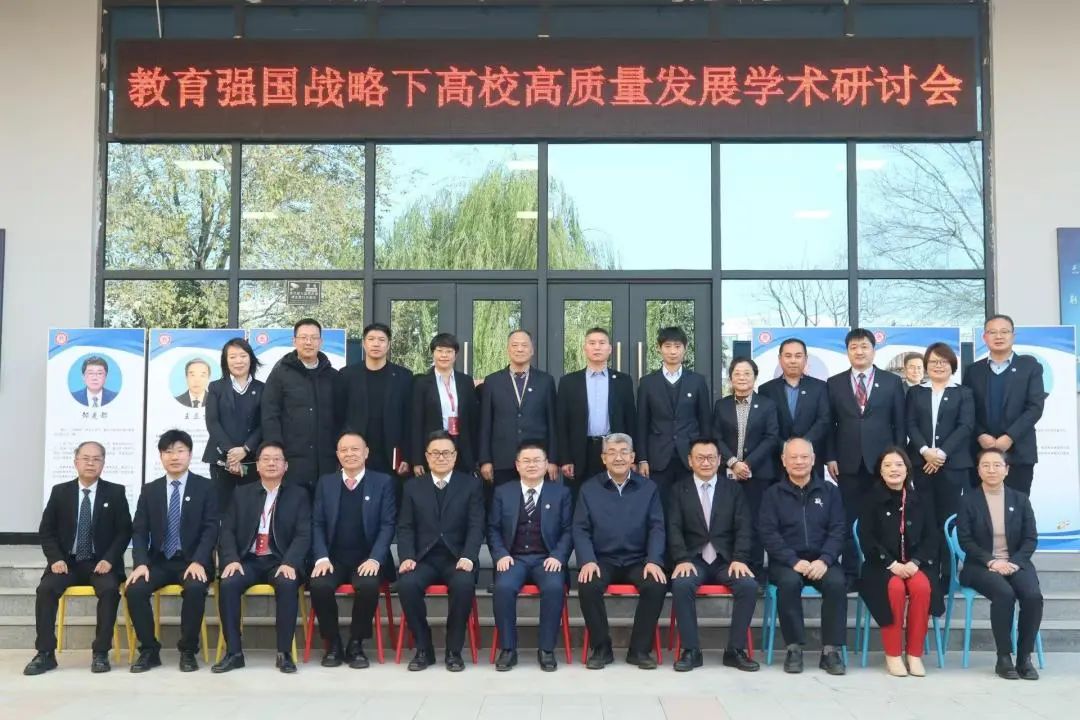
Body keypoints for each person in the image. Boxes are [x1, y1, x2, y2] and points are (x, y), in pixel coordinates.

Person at [24, 441, 132, 675]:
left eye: (96, 459)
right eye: (86, 458)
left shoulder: (115, 492)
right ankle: (45, 653)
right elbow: (46, 530)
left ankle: (100, 652)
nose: (91, 463)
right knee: (45, 590)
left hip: (100, 563)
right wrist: (55, 559)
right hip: (67, 563)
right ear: (76, 462)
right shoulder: (60, 492)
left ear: (103, 463)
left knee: (110, 591)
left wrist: (109, 559)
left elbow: (124, 531)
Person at [212, 441, 311, 674]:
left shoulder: (298, 495)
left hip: (280, 560)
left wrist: (290, 562)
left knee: (287, 583)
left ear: (286, 466)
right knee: (229, 583)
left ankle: (284, 653)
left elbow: (304, 534)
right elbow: (227, 530)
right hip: (248, 560)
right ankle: (234, 653)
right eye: (266, 459)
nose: (271, 463)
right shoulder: (241, 493)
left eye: (277, 459)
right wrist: (231, 559)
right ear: (257, 465)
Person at [127, 430, 218, 673]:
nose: (174, 457)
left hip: (192, 561)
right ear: (161, 456)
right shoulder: (151, 490)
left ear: (190, 454)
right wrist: (141, 563)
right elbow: (139, 530)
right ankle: (149, 650)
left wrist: (200, 560)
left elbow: (211, 529)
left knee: (195, 588)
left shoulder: (206, 487)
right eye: (168, 452)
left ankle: (188, 650)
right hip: (159, 561)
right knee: (135, 589)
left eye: (180, 451)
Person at [574, 433, 667, 670]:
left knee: (655, 584)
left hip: (638, 560)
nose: (618, 458)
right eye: (612, 452)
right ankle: (601, 648)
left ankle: (639, 650)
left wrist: (654, 560)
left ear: (633, 457)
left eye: (624, 452)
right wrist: (587, 560)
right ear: (603, 458)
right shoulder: (589, 489)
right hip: (602, 560)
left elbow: (657, 527)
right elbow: (580, 528)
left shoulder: (648, 488)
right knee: (588, 585)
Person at [668, 438, 759, 672]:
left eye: (711, 458)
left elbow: (744, 527)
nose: (706, 462)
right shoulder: (678, 490)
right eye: (700, 458)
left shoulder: (733, 490)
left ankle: (735, 650)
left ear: (720, 460)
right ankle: (691, 651)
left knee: (748, 586)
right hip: (693, 559)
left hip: (725, 560)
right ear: (690, 461)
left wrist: (739, 558)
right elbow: (673, 527)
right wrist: (681, 559)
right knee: (681, 584)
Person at [396, 431, 485, 672]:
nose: (441, 457)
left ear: (455, 456)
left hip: (457, 558)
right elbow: (405, 527)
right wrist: (406, 557)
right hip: (423, 558)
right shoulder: (413, 487)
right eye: (435, 453)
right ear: (426, 457)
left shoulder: (471, 485)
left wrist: (469, 556)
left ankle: (453, 650)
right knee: (407, 584)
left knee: (464, 585)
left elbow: (476, 525)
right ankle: (423, 648)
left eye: (446, 453)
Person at [759, 438, 847, 676]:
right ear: (783, 461)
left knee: (837, 583)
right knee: (788, 583)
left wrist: (825, 559)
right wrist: (793, 560)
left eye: (804, 457)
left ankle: (830, 651)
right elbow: (768, 533)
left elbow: (838, 529)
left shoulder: (830, 491)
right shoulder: (772, 494)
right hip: (787, 562)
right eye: (793, 457)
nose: (799, 461)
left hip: (822, 560)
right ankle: (794, 648)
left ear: (813, 459)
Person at [309, 432, 397, 669]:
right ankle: (333, 643)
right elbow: (317, 523)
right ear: (338, 455)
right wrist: (321, 557)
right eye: (344, 450)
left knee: (368, 585)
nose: (350, 454)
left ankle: (356, 643)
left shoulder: (383, 482)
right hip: (333, 558)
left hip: (367, 558)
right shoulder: (326, 483)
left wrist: (375, 559)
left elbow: (388, 525)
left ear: (366, 453)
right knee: (319, 585)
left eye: (355, 449)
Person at [826, 328, 906, 585]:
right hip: (847, 462)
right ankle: (851, 571)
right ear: (847, 352)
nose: (859, 352)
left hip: (883, 463)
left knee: (882, 517)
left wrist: (898, 461)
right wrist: (830, 457)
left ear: (874, 350)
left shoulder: (892, 382)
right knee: (849, 518)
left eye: (864, 347)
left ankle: (882, 569)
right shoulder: (834, 383)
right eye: (854, 347)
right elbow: (829, 424)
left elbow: (899, 424)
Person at [957, 448, 1043, 680]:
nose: (991, 470)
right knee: (1004, 593)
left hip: (1015, 563)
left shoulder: (1020, 499)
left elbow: (1030, 538)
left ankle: (1024, 658)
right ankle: (1003, 658)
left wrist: (1014, 562)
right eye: (985, 465)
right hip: (980, 565)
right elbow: (965, 540)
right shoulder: (968, 500)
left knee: (1033, 596)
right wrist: (992, 561)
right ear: (978, 470)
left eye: (997, 465)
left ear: (1007, 470)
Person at [856, 448, 943, 678]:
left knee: (922, 587)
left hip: (916, 565)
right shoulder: (870, 500)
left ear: (907, 469)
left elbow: (932, 537)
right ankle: (893, 654)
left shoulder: (920, 499)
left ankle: (914, 654)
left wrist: (916, 561)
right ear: (880, 471)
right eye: (887, 465)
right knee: (894, 588)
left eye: (899, 465)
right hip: (881, 566)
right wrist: (891, 564)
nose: (893, 469)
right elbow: (867, 538)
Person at [489, 441, 573, 672]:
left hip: (547, 559)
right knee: (503, 588)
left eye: (537, 460)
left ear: (546, 465)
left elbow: (569, 530)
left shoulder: (561, 493)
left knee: (554, 588)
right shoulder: (503, 492)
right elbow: (493, 528)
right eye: (526, 460)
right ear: (517, 465)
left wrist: (558, 556)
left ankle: (546, 649)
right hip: (513, 558)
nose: (532, 465)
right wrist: (500, 554)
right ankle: (508, 649)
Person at [906, 341, 975, 593]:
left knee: (948, 520)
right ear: (926, 365)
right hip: (921, 464)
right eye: (933, 361)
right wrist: (926, 451)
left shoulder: (963, 393)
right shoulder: (915, 393)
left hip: (953, 466)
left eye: (943, 361)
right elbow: (910, 424)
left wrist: (941, 454)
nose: (938, 365)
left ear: (952, 365)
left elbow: (965, 426)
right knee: (925, 519)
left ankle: (948, 573)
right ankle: (928, 571)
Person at [962, 314, 1046, 496]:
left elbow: (1035, 407)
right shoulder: (973, 371)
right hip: (980, 451)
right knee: (979, 507)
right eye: (992, 332)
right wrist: (980, 434)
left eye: (1004, 332)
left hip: (1018, 452)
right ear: (984, 337)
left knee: (1016, 505)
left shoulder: (1030, 368)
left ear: (1013, 336)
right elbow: (967, 409)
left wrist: (1009, 437)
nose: (998, 336)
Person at [712, 357, 779, 577]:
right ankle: (729, 569)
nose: (742, 378)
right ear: (731, 378)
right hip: (727, 473)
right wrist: (733, 462)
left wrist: (747, 464)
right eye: (737, 373)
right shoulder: (721, 405)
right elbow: (716, 437)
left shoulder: (767, 405)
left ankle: (756, 572)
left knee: (755, 522)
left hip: (757, 474)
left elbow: (771, 437)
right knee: (727, 520)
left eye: (747, 373)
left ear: (755, 377)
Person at [556, 327, 636, 503]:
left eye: (602, 343)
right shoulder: (569, 382)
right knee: (580, 501)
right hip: (580, 451)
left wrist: (631, 455)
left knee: (614, 500)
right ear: (585, 348)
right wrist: (565, 458)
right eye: (592, 343)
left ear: (610, 349)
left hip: (613, 449)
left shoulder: (623, 381)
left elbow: (630, 420)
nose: (597, 347)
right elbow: (561, 423)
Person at [636, 326, 711, 512]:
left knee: (690, 508)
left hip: (690, 457)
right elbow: (642, 423)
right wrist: (642, 459)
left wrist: (705, 456)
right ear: (659, 348)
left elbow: (705, 421)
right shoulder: (647, 383)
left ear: (685, 348)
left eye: (677, 346)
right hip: (658, 457)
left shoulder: (697, 381)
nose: (672, 351)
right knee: (659, 508)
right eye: (667, 346)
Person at [261, 318, 338, 492]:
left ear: (321, 342)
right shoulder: (280, 374)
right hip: (292, 463)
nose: (308, 342)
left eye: (313, 337)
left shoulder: (333, 376)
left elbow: (340, 416)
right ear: (294, 341)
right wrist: (276, 452)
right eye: (303, 337)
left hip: (327, 463)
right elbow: (270, 414)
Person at [478, 329, 558, 489]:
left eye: (524, 345)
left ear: (532, 350)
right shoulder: (492, 381)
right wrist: (485, 460)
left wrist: (553, 459)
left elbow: (553, 423)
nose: (519, 349)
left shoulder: (545, 381)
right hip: (502, 460)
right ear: (508, 349)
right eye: (514, 345)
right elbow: (485, 423)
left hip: (537, 460)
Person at [335, 322, 413, 478]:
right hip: (357, 451)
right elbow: (338, 416)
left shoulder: (404, 376)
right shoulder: (347, 375)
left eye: (381, 340)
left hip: (390, 453)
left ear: (388, 345)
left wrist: (407, 456)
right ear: (364, 344)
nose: (376, 344)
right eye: (371, 339)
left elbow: (409, 419)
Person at [204, 337, 264, 513]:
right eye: (232, 357)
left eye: (243, 356)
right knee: (223, 511)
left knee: (250, 510)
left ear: (251, 358)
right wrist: (232, 453)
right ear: (225, 361)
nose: (238, 361)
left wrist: (245, 449)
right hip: (221, 460)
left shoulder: (263, 388)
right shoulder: (216, 387)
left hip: (251, 460)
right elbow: (212, 422)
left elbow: (264, 423)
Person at [758, 338, 831, 480]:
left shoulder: (820, 387)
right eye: (788, 356)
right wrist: (785, 447)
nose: (793, 360)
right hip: (777, 460)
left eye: (798, 356)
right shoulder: (766, 390)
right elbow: (765, 425)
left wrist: (802, 446)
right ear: (780, 359)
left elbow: (824, 420)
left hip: (810, 461)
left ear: (805, 359)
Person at [411, 332, 479, 476]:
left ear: (455, 355)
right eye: (440, 351)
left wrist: (477, 456)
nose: (444, 355)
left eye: (449, 351)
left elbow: (473, 420)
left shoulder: (465, 381)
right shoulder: (421, 383)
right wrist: (417, 460)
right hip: (434, 446)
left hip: (462, 445)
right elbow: (416, 423)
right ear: (433, 353)